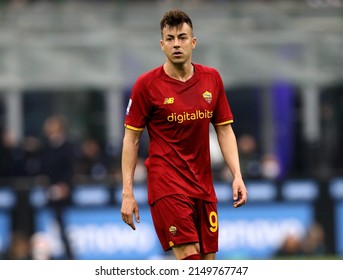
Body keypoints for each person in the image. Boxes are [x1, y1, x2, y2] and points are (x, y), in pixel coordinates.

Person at [121, 9, 248, 260]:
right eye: (170, 38)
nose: (176, 44)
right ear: (162, 44)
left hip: (203, 185)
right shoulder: (146, 85)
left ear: (193, 42)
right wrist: (127, 192)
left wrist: (238, 175)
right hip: (167, 184)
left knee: (207, 262)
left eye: (182, 37)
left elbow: (223, 129)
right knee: (190, 260)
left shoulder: (212, 79)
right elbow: (131, 139)